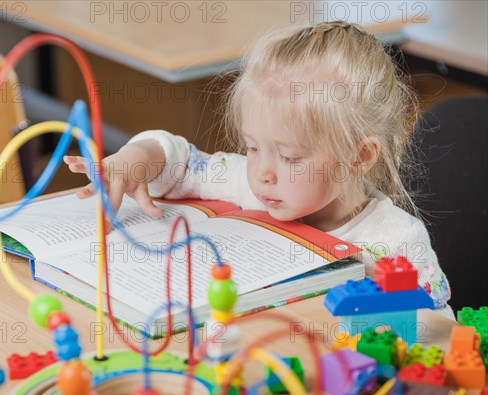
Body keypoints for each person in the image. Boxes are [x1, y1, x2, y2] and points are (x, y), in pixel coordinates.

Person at [63, 21, 453, 319]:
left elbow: (438, 336)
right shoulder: (256, 186)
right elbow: (183, 164)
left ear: (360, 157)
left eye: (289, 156)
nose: (262, 172)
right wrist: (137, 158)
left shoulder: (397, 242)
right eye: (252, 147)